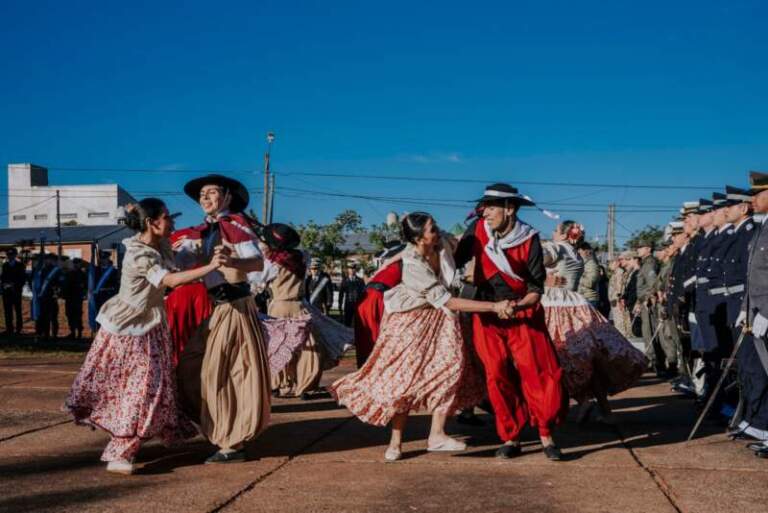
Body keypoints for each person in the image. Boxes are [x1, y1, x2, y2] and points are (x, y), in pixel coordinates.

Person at [65, 198, 226, 474]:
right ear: (152, 223)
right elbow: (171, 281)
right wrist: (212, 265)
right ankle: (120, 452)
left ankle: (131, 443)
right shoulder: (140, 253)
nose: (173, 221)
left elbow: (177, 262)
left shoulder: (158, 245)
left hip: (151, 326)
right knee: (140, 389)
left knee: (149, 387)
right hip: (130, 329)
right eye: (167, 217)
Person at [331, 212, 500, 461]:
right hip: (410, 322)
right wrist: (494, 307)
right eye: (432, 228)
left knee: (450, 368)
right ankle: (395, 442)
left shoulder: (437, 242)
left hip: (439, 319)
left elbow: (448, 243)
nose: (437, 230)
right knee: (405, 382)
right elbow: (447, 300)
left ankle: (437, 435)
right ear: (419, 238)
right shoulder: (412, 264)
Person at [454, 183, 567, 461]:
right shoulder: (477, 230)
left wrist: (515, 307)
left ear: (510, 208)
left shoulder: (530, 239)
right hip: (487, 314)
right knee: (496, 373)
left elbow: (535, 289)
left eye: (491, 206)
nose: (485, 211)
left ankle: (545, 434)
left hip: (523, 313)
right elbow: (455, 260)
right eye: (484, 206)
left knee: (539, 372)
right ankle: (510, 436)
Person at [176, 174, 272, 464]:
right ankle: (220, 427)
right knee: (192, 367)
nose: (204, 198)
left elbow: (257, 263)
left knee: (227, 373)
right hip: (217, 308)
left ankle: (232, 442)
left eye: (212, 192)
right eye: (201, 194)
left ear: (227, 197)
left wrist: (232, 262)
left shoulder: (235, 227)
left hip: (234, 307)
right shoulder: (202, 232)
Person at [541, 222, 646, 424]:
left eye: (555, 230)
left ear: (563, 234)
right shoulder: (575, 252)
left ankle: (579, 403)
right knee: (591, 360)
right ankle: (602, 409)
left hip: (553, 304)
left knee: (556, 357)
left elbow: (534, 261)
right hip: (576, 303)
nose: (553, 233)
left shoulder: (556, 247)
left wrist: (542, 275)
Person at [260, 223, 341, 399]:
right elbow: (305, 253)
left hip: (277, 307)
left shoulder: (270, 263)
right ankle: (305, 384)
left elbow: (259, 284)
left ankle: (278, 383)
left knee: (278, 345)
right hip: (298, 306)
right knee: (306, 348)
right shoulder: (301, 258)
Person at [730, 176, 768, 455]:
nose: (753, 200)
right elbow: (753, 276)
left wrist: (766, 311)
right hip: (755, 310)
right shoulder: (761, 229)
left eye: (759, 194)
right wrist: (746, 309)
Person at [353, 243, 404, 368]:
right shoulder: (404, 262)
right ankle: (373, 373)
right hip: (376, 298)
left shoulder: (387, 266)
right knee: (376, 340)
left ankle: (365, 372)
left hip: (367, 298)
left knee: (366, 340)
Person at [633, 241, 660, 372]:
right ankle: (652, 359)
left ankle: (654, 360)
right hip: (643, 300)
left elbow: (652, 283)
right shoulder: (644, 263)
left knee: (649, 331)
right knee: (646, 331)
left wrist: (648, 298)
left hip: (648, 302)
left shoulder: (650, 263)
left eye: (640, 247)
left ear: (648, 249)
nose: (638, 250)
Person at [88, 250, 120, 332]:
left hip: (109, 296)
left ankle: (108, 332)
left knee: (108, 315)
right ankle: (99, 331)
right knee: (99, 315)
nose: (103, 260)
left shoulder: (114, 271)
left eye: (104, 258)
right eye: (101, 259)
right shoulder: (96, 271)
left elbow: (116, 285)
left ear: (108, 259)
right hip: (98, 296)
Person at [32, 253, 62, 340]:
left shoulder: (56, 271)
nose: (48, 261)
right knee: (42, 316)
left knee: (52, 316)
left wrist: (57, 292)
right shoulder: (41, 270)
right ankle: (43, 334)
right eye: (47, 259)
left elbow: (60, 283)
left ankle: (54, 335)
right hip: (42, 297)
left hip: (51, 297)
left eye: (50, 259)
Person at [1, 248, 26, 335]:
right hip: (7, 292)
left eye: (12, 255)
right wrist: (4, 284)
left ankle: (19, 329)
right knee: (8, 311)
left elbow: (22, 278)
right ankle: (9, 329)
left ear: (15, 255)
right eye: (8, 255)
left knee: (18, 310)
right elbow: (3, 277)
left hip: (16, 291)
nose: (10, 256)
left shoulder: (20, 265)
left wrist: (14, 285)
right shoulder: (5, 265)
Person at [61, 258, 87, 339]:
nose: (76, 265)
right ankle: (72, 332)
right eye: (74, 263)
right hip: (69, 297)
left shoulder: (82, 274)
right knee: (69, 314)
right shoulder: (69, 273)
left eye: (77, 263)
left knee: (77, 315)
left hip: (77, 298)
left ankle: (79, 333)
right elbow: (65, 285)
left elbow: (85, 286)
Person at [576, 241, 601, 310]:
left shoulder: (592, 265)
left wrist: (577, 276)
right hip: (580, 298)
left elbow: (590, 283)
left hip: (589, 299)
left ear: (586, 251)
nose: (577, 252)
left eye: (579, 250)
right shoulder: (580, 264)